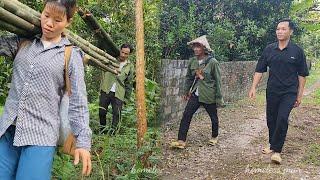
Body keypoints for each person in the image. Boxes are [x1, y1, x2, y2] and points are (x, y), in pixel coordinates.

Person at [0, 0, 92, 179]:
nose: (49, 24)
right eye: (46, 16)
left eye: (57, 20)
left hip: (40, 136)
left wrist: (83, 142)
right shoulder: (22, 43)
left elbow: (78, 101)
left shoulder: (70, 55)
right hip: (8, 130)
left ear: (68, 22)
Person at [249, 19, 309, 164]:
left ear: (290, 32)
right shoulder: (269, 49)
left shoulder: (297, 51)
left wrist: (299, 95)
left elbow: (302, 75)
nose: (280, 31)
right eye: (278, 29)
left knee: (282, 118)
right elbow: (259, 69)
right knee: (272, 119)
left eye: (283, 29)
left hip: (289, 92)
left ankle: (277, 151)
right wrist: (253, 87)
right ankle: (272, 143)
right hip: (272, 90)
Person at [170, 35, 224, 149]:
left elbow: (218, 81)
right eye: (194, 46)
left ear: (204, 48)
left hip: (209, 94)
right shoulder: (193, 61)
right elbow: (189, 77)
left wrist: (219, 98)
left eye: (198, 46)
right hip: (195, 94)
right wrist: (186, 91)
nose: (195, 49)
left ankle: (214, 137)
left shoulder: (213, 62)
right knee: (186, 115)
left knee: (213, 117)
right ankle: (181, 140)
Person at [99, 44, 134, 134]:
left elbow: (129, 84)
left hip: (119, 93)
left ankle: (112, 133)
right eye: (122, 52)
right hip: (106, 89)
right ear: (120, 50)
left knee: (117, 114)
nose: (123, 55)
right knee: (102, 112)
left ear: (129, 54)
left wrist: (126, 98)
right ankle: (102, 130)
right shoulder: (111, 59)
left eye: (126, 53)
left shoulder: (130, 66)